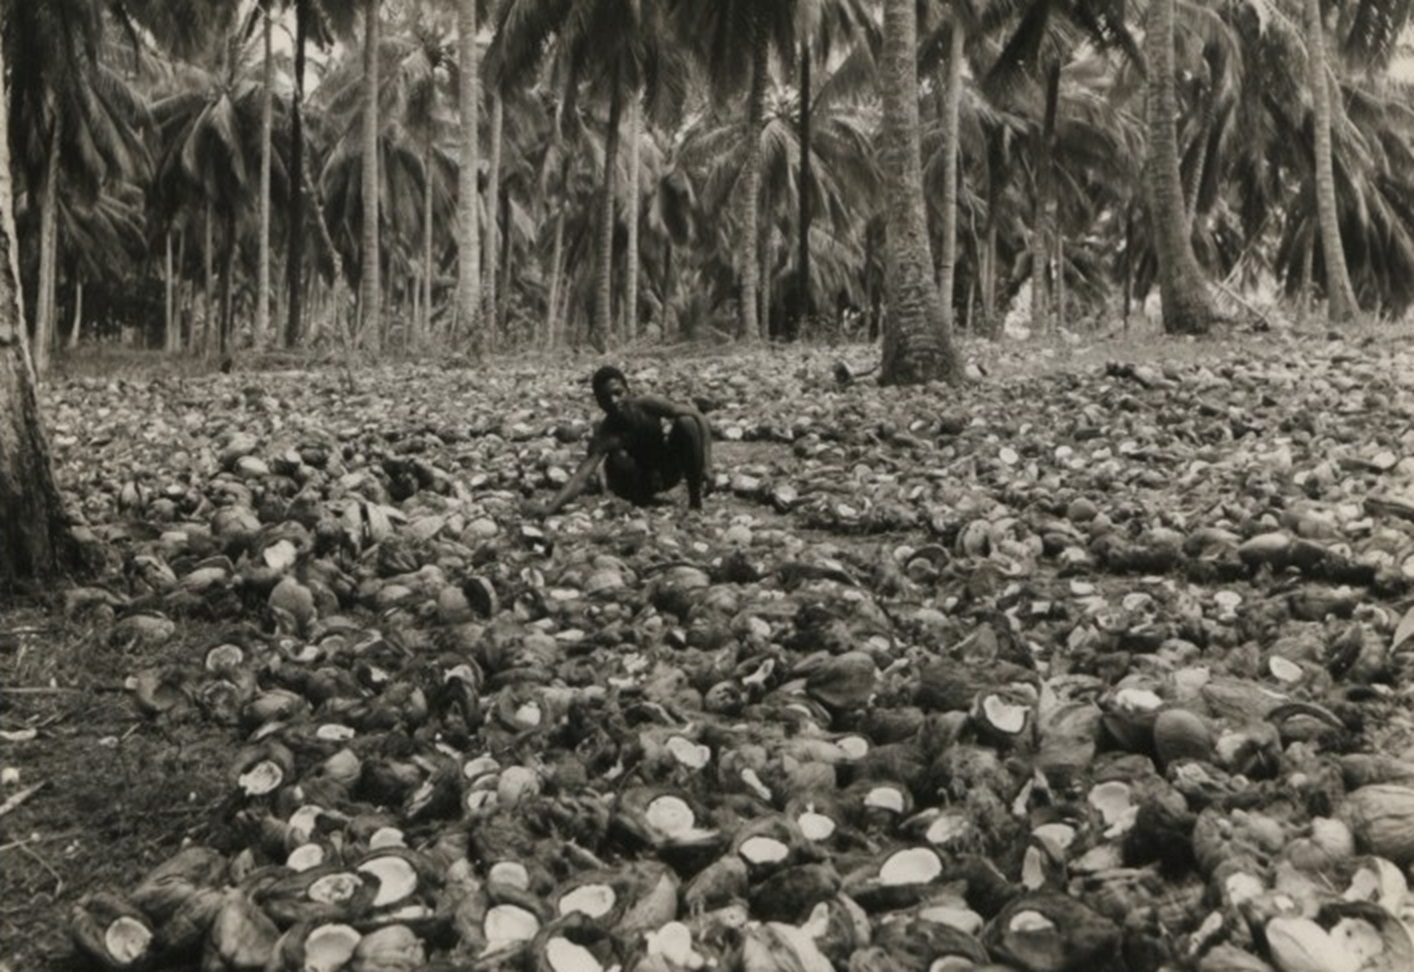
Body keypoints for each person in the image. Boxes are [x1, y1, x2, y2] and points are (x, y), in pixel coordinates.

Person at [537, 365, 713, 515]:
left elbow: (699, 417)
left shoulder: (648, 405)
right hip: (635, 482)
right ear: (599, 403)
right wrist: (549, 509)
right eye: (605, 399)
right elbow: (580, 477)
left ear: (628, 391)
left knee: (687, 423)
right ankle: (640, 502)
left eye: (617, 393)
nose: (614, 401)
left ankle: (695, 503)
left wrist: (707, 465)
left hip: (665, 472)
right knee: (618, 457)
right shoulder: (606, 433)